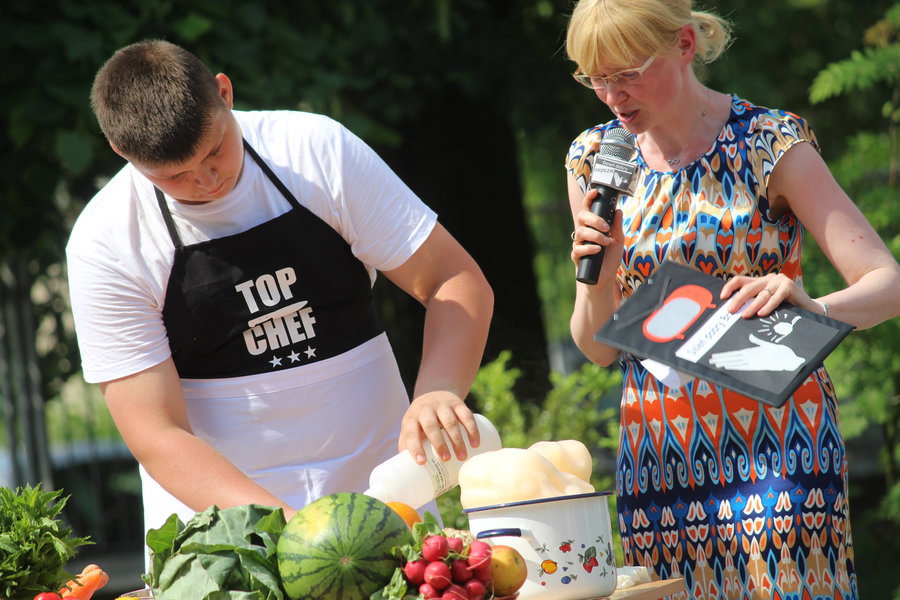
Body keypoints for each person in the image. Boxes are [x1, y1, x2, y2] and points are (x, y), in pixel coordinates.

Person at [66, 39, 493, 540]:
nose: (206, 181)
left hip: (381, 492)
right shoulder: (106, 241)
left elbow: (453, 280)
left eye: (214, 151)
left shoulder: (316, 150)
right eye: (175, 176)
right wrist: (293, 530)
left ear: (224, 93)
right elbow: (156, 433)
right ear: (122, 151)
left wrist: (437, 391)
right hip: (227, 529)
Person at [563, 1, 900, 599]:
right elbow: (594, 347)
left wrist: (812, 307)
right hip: (658, 452)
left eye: (628, 73)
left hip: (779, 443)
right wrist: (602, 270)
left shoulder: (769, 142)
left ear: (685, 45)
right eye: (596, 78)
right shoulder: (595, 159)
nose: (613, 95)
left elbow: (887, 283)